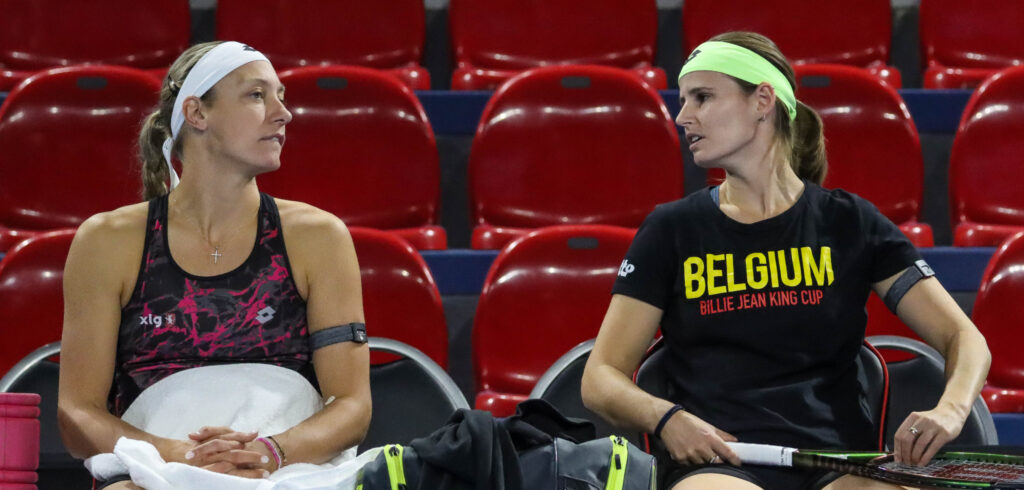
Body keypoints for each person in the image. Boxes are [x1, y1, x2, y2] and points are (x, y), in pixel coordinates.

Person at [580, 31, 991, 490]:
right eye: (683, 100)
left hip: (838, 466)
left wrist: (949, 411)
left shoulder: (849, 222)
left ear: (762, 100)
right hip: (720, 465)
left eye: (702, 97)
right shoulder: (671, 230)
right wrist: (667, 418)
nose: (682, 117)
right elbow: (600, 376)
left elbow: (963, 337)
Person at [56, 41, 371, 489]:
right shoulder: (106, 243)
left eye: (281, 96)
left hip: (289, 471)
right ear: (197, 114)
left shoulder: (320, 237)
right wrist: (181, 457)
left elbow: (353, 405)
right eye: (257, 95)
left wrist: (268, 452)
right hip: (155, 473)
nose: (284, 113)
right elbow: (76, 414)